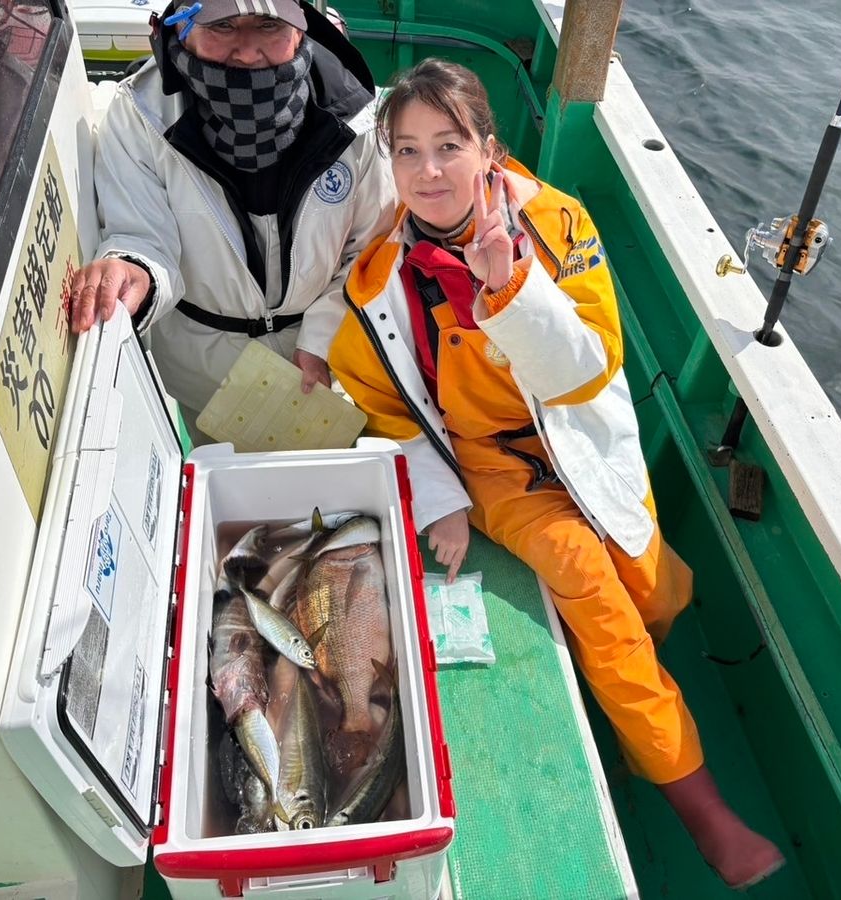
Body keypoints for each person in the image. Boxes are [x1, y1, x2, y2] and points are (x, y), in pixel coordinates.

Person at [328, 58, 785, 889]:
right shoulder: (379, 278)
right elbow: (382, 409)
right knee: (589, 583)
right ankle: (701, 806)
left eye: (449, 145)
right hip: (491, 463)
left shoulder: (560, 227)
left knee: (659, 593)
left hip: (582, 437)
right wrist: (440, 500)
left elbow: (587, 367)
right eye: (407, 151)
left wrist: (508, 285)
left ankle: (627, 689)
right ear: (388, 163)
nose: (429, 172)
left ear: (488, 149)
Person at [68, 0, 396, 437]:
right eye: (222, 25)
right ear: (182, 30)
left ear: (301, 29)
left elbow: (371, 252)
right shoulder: (140, 115)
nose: (246, 52)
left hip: (330, 364)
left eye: (268, 24)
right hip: (207, 379)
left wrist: (320, 340)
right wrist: (134, 271)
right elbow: (141, 236)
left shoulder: (357, 119)